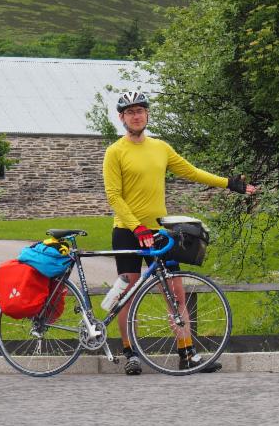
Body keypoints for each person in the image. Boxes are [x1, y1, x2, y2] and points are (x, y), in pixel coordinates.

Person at [103, 90, 256, 375]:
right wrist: (135, 226)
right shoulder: (115, 152)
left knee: (176, 292)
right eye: (130, 112)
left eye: (141, 110)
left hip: (159, 232)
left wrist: (229, 184)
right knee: (128, 293)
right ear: (122, 117)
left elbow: (192, 172)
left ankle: (187, 354)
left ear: (147, 115)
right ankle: (130, 353)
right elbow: (114, 196)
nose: (136, 115)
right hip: (127, 231)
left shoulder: (160, 148)